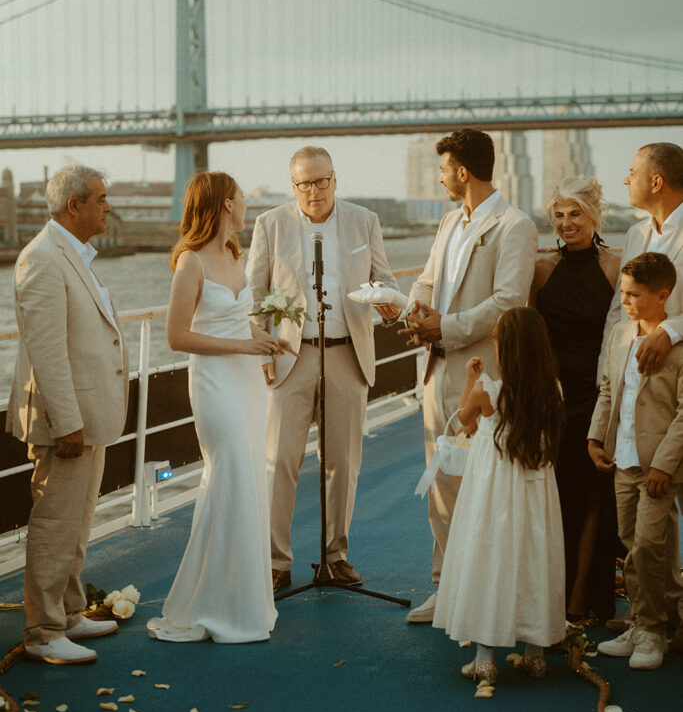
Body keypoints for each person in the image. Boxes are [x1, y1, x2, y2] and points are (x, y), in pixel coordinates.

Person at [246, 145, 400, 591]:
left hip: (348, 353)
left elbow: (386, 280)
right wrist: (263, 353)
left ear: (335, 179)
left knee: (343, 463)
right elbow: (254, 298)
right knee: (280, 463)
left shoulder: (363, 220)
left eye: (321, 181)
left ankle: (335, 555)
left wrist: (389, 302)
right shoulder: (269, 224)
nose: (313, 191)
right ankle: (276, 562)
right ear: (291, 185)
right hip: (290, 356)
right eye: (303, 183)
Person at [147, 171, 291, 643]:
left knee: (249, 476)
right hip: (214, 384)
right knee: (228, 475)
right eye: (243, 197)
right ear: (226, 205)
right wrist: (240, 349)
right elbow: (176, 337)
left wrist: (263, 339)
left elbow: (236, 320)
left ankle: (242, 599)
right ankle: (214, 603)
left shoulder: (233, 254)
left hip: (246, 383)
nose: (247, 203)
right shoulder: (190, 263)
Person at [401, 129, 538, 623]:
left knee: (487, 484)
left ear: (462, 172)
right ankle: (445, 588)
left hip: (486, 378)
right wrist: (414, 311)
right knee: (442, 481)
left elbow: (509, 302)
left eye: (442, 171)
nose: (439, 180)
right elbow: (429, 280)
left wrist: (448, 328)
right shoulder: (447, 224)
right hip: (439, 371)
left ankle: (490, 593)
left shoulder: (514, 225)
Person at [7, 165, 129, 665]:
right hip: (68, 420)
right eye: (101, 198)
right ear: (74, 205)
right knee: (57, 521)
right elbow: (47, 352)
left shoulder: (72, 254)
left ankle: (70, 611)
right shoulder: (42, 259)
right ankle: (44, 631)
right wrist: (68, 422)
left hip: (89, 414)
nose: (108, 206)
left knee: (78, 522)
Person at [432, 307, 566, 683]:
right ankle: (536, 654)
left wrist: (469, 379)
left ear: (506, 349)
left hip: (493, 489)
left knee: (489, 554)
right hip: (536, 490)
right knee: (533, 555)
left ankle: (485, 657)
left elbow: (463, 421)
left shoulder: (487, 390)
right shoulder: (553, 389)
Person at [598, 143, 683, 639]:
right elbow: (620, 310)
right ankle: (657, 618)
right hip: (636, 394)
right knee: (647, 528)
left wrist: (671, 331)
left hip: (677, 383)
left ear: (656, 181)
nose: (623, 179)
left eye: (631, 172)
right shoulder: (634, 233)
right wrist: (605, 375)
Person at [530, 177, 620, 622]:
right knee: (558, 497)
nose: (566, 224)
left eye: (575, 214)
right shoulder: (542, 268)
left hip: (598, 395)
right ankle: (554, 595)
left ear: (594, 217)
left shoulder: (615, 268)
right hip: (553, 394)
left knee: (595, 500)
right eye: (559, 215)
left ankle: (587, 597)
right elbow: (527, 335)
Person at [590, 253, 683, 670]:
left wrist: (665, 463)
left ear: (663, 296)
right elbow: (608, 389)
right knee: (630, 543)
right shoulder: (619, 336)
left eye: (634, 295)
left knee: (650, 545)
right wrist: (595, 436)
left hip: (658, 464)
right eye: (623, 293)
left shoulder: (677, 348)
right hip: (621, 458)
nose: (625, 302)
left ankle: (654, 631)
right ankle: (643, 621)